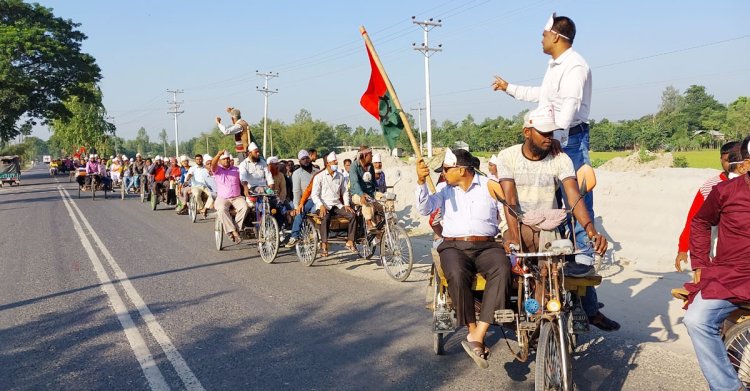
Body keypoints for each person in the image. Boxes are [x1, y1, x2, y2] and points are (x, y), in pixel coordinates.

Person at [496, 106, 616, 331]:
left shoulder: (560, 158)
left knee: (560, 265)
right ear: (527, 132)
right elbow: (510, 201)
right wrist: (512, 235)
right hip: (518, 223)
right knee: (528, 252)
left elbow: (573, 196)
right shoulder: (508, 157)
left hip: (549, 224)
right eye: (544, 133)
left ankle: (553, 311)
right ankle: (531, 308)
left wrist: (591, 230)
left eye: (552, 133)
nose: (549, 138)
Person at [492, 13, 596, 269]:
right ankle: (554, 259)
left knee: (576, 200)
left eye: (544, 34)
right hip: (558, 133)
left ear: (557, 36)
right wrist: (510, 88)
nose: (541, 39)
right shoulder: (556, 65)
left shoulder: (574, 66)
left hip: (569, 137)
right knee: (554, 206)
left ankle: (581, 264)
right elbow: (543, 96)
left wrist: (555, 138)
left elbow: (569, 106)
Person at [416, 147, 510, 369]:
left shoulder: (489, 185)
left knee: (503, 268)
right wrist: (421, 182)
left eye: (447, 169)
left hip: (487, 244)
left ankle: (479, 333)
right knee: (456, 274)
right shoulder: (443, 188)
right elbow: (425, 207)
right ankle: (471, 329)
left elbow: (506, 213)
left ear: (461, 169)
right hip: (453, 246)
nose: (443, 174)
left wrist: (508, 236)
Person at [683, 135, 750, 391]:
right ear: (745, 165)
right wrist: (700, 263)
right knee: (696, 320)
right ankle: (729, 387)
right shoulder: (724, 191)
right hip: (730, 276)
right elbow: (699, 222)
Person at [674, 141, 742, 271]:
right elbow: (694, 219)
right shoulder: (710, 187)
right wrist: (683, 247)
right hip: (719, 256)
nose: (730, 165)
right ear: (721, 160)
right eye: (727, 161)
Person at [311, 152, 357, 256]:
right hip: (323, 205)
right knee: (325, 217)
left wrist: (347, 204)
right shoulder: (319, 177)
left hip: (337, 205)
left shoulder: (340, 176)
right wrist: (321, 205)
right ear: (328, 163)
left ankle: (350, 241)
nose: (336, 163)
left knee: (353, 215)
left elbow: (345, 191)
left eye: (336, 161)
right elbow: (314, 194)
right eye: (334, 161)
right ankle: (324, 245)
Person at [286, 152, 324, 247]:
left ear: (310, 159)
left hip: (321, 198)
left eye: (307, 158)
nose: (306, 160)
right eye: (303, 159)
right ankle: (294, 236)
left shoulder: (317, 172)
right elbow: (296, 192)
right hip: (307, 199)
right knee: (301, 211)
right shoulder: (297, 174)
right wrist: (297, 206)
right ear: (299, 161)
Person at [211, 150, 248, 244]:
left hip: (237, 197)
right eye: (224, 159)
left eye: (228, 159)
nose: (226, 161)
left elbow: (243, 180)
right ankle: (233, 231)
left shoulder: (236, 170)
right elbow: (212, 164)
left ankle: (236, 227)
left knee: (245, 207)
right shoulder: (217, 170)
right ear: (220, 161)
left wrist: (245, 188)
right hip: (223, 198)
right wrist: (218, 154)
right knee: (221, 209)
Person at [349, 145, 381, 231]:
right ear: (365, 155)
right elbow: (355, 183)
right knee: (366, 200)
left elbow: (374, 181)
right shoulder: (354, 166)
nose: (372, 156)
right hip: (357, 194)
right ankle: (369, 223)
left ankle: (390, 221)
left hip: (371, 193)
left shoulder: (370, 166)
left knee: (387, 198)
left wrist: (378, 192)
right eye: (371, 154)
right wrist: (362, 194)